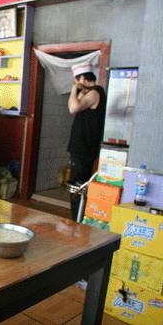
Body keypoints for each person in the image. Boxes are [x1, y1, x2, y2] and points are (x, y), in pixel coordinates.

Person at [67, 62, 106, 221]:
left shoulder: (95, 93)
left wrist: (73, 91)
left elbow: (73, 108)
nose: (75, 84)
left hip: (83, 148)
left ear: (82, 78)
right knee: (78, 185)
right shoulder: (89, 93)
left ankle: (77, 221)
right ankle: (77, 218)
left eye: (77, 80)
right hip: (82, 147)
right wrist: (79, 91)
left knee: (78, 187)